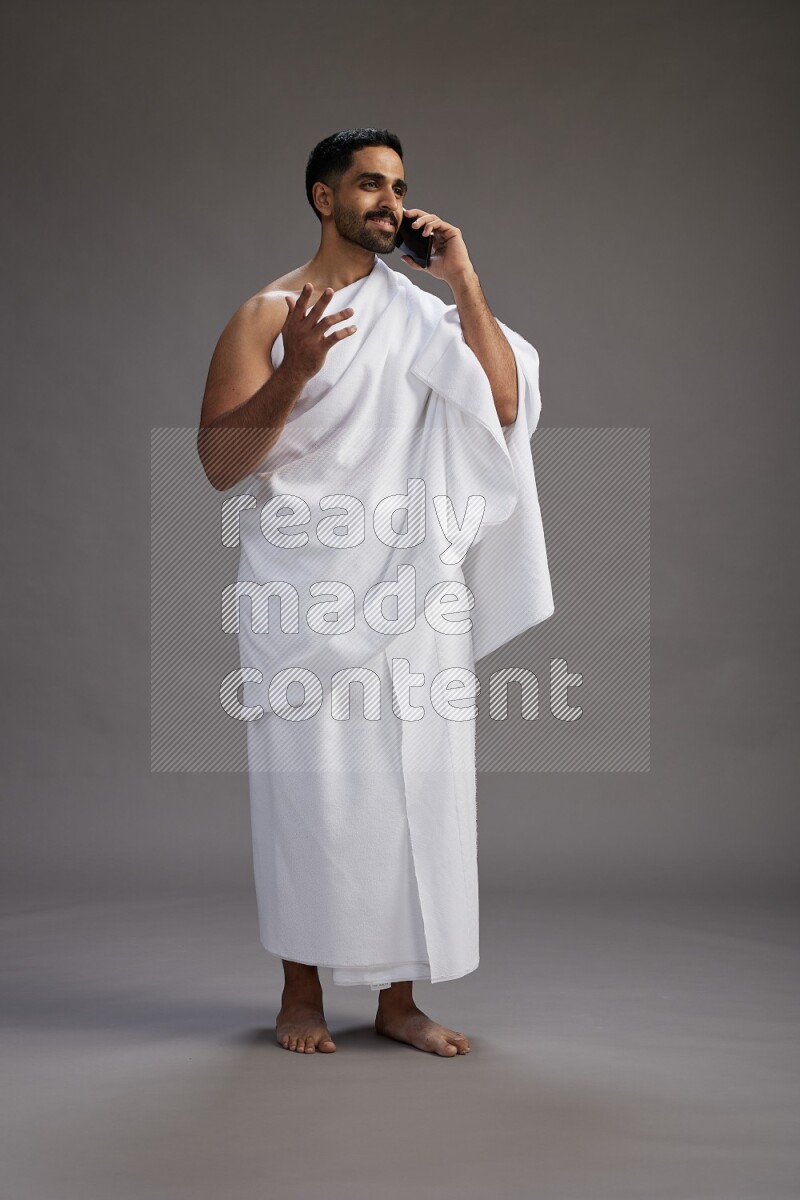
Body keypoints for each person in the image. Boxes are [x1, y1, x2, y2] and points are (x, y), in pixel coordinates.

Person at [197, 129, 553, 1057]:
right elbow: (220, 465)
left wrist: (461, 279)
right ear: (324, 197)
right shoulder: (267, 315)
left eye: (397, 186)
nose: (389, 201)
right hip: (302, 596)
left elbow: (504, 405)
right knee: (308, 795)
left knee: (413, 793)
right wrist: (299, 372)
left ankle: (398, 1002)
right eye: (368, 184)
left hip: (413, 590)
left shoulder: (430, 315)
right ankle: (300, 996)